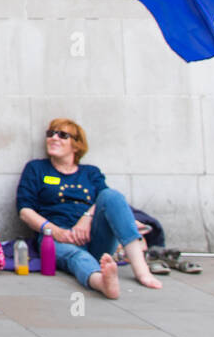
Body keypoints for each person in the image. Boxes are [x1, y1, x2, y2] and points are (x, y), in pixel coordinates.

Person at [15, 118, 160, 298]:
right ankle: (101, 282)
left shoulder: (90, 173)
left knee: (111, 195)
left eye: (62, 135)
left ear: (76, 146)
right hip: (58, 238)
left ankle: (142, 271)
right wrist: (55, 231)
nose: (54, 138)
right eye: (50, 134)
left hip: (93, 236)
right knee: (78, 258)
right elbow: (24, 210)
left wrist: (86, 218)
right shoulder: (36, 168)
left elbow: (107, 201)